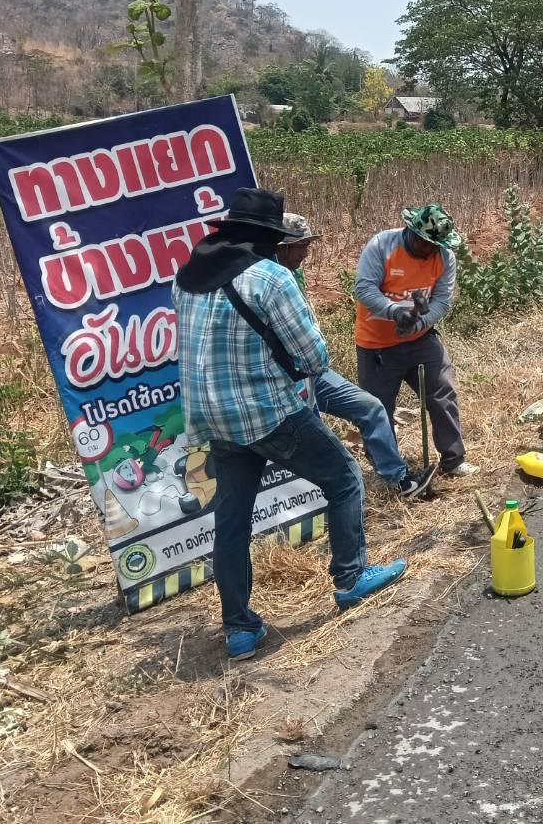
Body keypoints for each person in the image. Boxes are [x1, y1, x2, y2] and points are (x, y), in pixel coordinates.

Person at [173, 187, 408, 662]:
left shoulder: (188, 277)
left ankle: (239, 628)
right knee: (345, 478)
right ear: (268, 238)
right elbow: (313, 358)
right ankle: (350, 578)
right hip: (265, 413)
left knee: (232, 521)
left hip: (213, 420)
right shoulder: (271, 278)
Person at [276, 213, 434, 501]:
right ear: (281, 247)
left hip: (314, 371)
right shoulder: (268, 281)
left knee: (370, 408)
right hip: (284, 379)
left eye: (308, 245)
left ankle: (400, 481)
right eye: (300, 246)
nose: (306, 253)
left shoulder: (293, 273)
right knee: (317, 440)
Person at [353, 204, 475, 479]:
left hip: (420, 339)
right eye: (425, 242)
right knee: (377, 409)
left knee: (442, 391)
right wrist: (396, 313)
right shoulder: (382, 245)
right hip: (377, 344)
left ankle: (453, 460)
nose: (430, 250)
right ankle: (389, 472)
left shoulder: (444, 256)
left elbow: (441, 301)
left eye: (436, 245)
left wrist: (418, 323)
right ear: (412, 231)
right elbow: (364, 288)